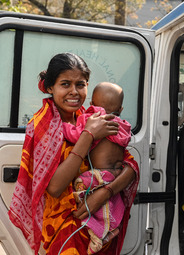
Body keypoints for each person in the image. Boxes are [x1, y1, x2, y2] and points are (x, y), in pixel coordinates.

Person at [8, 53, 139, 255]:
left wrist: (105, 192)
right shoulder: (44, 124)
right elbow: (54, 187)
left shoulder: (90, 116)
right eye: (65, 84)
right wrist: (88, 136)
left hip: (101, 219)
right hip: (67, 227)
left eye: (80, 84)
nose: (74, 92)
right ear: (50, 88)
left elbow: (129, 166)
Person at [63, 82, 131, 254]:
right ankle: (111, 230)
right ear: (121, 109)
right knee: (113, 205)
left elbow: (75, 134)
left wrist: (63, 126)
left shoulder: (93, 120)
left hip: (98, 175)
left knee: (80, 189)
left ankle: (96, 236)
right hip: (115, 173)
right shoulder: (122, 126)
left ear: (92, 104)